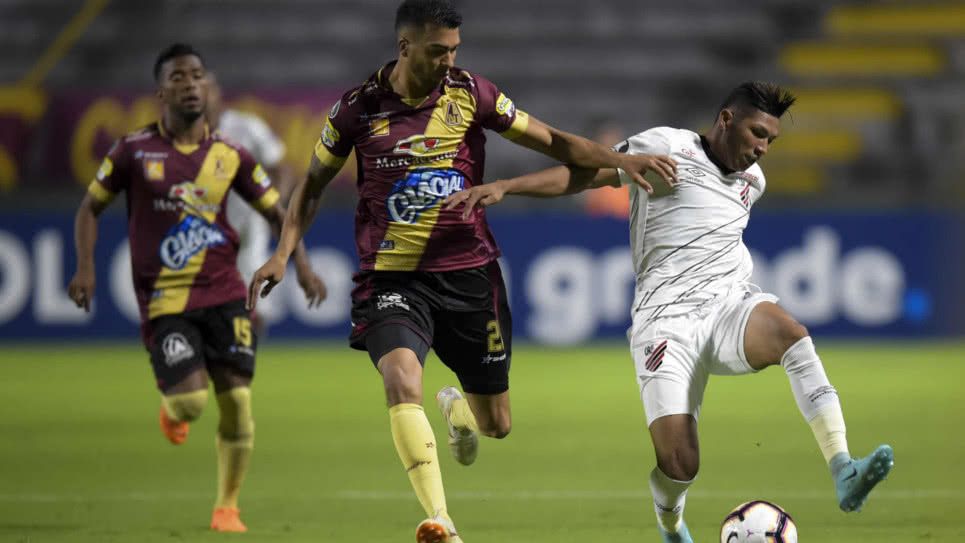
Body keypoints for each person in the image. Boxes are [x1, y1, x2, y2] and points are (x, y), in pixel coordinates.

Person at [246, 1, 674, 541]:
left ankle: (458, 411)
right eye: (437, 51)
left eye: (454, 50)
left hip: (470, 274)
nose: (449, 60)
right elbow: (309, 186)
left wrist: (619, 161)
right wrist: (284, 252)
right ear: (405, 47)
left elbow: (552, 140)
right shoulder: (355, 111)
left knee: (497, 424)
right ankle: (440, 519)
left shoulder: (472, 94)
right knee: (401, 380)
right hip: (392, 278)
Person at [444, 81, 894, 543]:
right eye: (757, 133)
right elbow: (585, 174)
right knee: (680, 463)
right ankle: (672, 526)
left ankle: (843, 468)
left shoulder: (753, 183)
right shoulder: (667, 146)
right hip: (665, 323)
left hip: (728, 307)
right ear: (726, 119)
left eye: (770, 141)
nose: (762, 148)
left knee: (792, 335)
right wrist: (506, 187)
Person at [67, 43, 325, 533]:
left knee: (238, 400)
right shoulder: (133, 150)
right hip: (166, 297)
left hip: (225, 290)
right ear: (161, 90)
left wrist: (300, 265)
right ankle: (176, 406)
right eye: (179, 76)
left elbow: (279, 211)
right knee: (191, 402)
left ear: (209, 87)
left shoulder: (232, 155)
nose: (191, 83)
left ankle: (227, 506)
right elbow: (88, 208)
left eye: (198, 75)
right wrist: (85, 267)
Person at [205, 73, 320, 330]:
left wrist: (274, 202)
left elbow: (282, 168)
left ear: (217, 94)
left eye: (207, 88)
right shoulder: (178, 139)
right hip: (201, 231)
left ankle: (245, 361)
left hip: (246, 228)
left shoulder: (245, 128)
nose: (200, 95)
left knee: (252, 309)